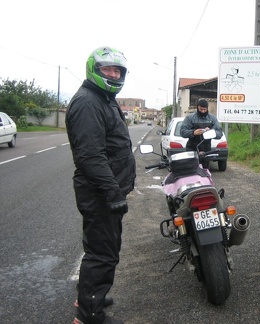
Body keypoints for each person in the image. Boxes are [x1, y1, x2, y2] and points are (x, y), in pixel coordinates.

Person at [66, 46, 136, 324]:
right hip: (100, 194)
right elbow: (90, 156)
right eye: (107, 69)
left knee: (101, 249)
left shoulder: (104, 99)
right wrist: (112, 191)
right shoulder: (88, 102)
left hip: (105, 192)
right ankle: (89, 314)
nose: (113, 74)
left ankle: (88, 295)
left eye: (117, 70)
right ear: (94, 70)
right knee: (103, 254)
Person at [180, 98, 223, 169]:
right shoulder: (190, 118)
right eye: (201, 109)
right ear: (197, 108)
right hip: (192, 148)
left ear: (207, 108)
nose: (203, 111)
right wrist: (193, 132)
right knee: (191, 171)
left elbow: (219, 134)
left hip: (206, 150)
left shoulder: (213, 119)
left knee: (204, 171)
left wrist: (211, 132)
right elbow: (182, 132)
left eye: (204, 109)